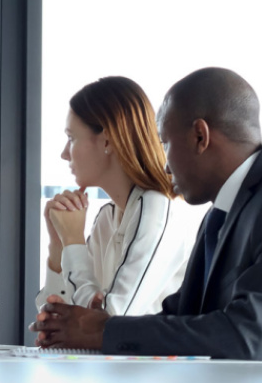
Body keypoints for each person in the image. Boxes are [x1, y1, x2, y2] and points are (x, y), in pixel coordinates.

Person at [33, 67, 262, 367]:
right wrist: (77, 325)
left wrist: (99, 329)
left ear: (200, 136)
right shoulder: (220, 213)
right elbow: (183, 317)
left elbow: (245, 335)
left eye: (165, 144)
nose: (164, 164)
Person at [37, 76, 194, 317]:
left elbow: (112, 319)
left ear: (107, 140)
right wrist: (59, 246)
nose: (64, 154)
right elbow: (56, 313)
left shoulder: (157, 209)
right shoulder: (107, 218)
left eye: (71, 138)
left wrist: (73, 241)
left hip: (154, 355)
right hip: (117, 356)